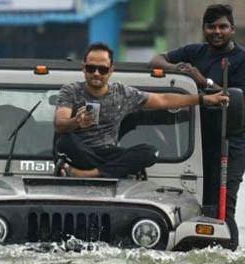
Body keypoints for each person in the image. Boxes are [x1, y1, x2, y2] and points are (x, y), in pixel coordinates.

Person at [149, 4, 245, 250]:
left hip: (233, 142)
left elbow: (241, 101)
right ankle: (201, 250)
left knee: (223, 203)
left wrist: (203, 81)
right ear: (204, 29)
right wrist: (173, 69)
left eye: (222, 27)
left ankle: (229, 252)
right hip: (199, 142)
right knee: (201, 202)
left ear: (233, 29)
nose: (217, 32)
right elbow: (156, 59)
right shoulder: (194, 51)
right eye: (211, 27)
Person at [53, 42, 230, 179]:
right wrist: (76, 122)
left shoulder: (122, 93)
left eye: (103, 69)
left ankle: (88, 174)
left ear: (111, 71)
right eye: (91, 68)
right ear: (84, 68)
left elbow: (163, 99)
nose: (97, 73)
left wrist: (203, 98)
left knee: (150, 152)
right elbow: (60, 124)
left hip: (108, 153)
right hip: (79, 151)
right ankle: (111, 171)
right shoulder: (71, 91)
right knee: (64, 141)